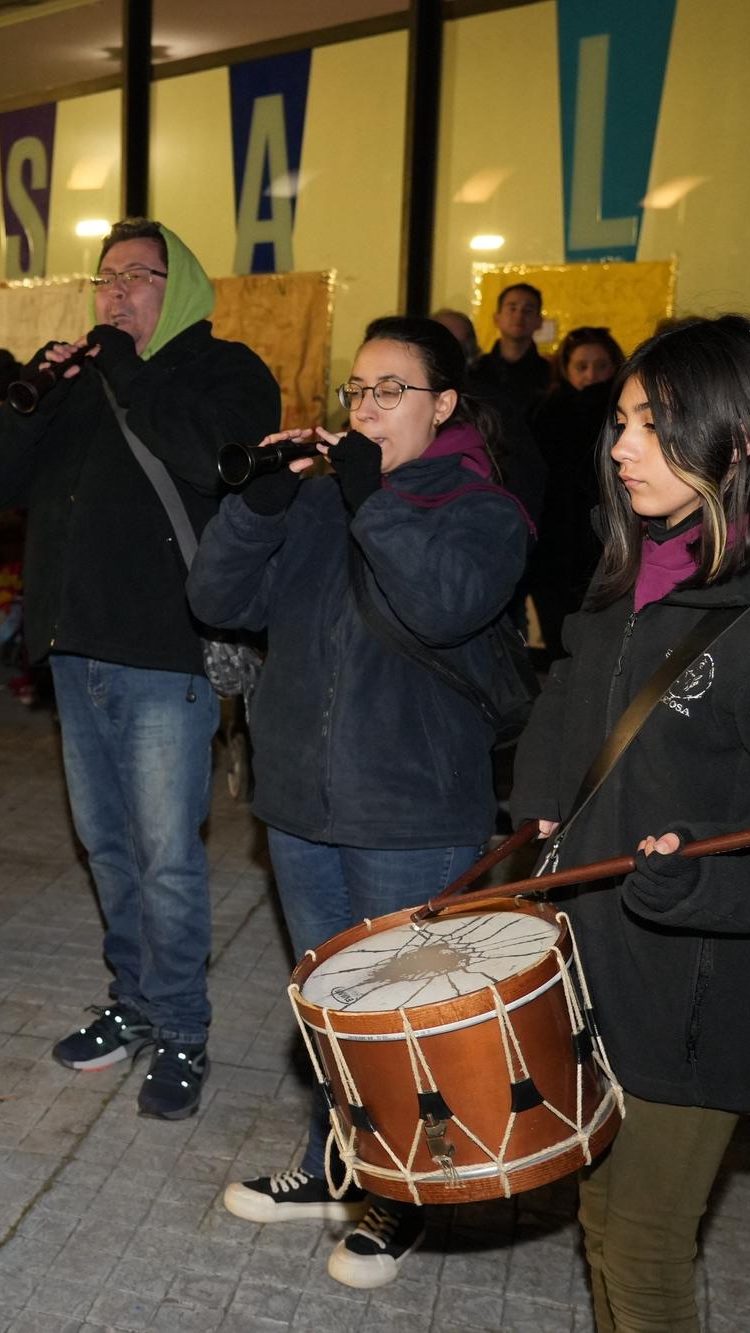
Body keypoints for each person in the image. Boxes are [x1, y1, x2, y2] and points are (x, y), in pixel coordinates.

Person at [510, 314, 750, 1331]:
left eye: (653, 423)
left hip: (696, 996)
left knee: (638, 1244)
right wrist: (540, 800)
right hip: (591, 966)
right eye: (621, 420)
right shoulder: (634, 580)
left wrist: (706, 881)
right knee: (602, 1214)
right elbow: (567, 693)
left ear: (742, 439)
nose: (619, 444)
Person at [188, 317, 531, 1285]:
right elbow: (217, 598)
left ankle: (401, 1191)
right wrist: (257, 503)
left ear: (444, 404)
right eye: (356, 391)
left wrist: (370, 498)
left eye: (391, 390)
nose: (367, 407)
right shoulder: (317, 502)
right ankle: (333, 1163)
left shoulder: (481, 508)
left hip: (413, 810)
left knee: (405, 1017)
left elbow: (440, 603)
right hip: (301, 801)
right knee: (331, 1007)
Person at [0, 217, 281, 1119]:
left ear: (177, 287)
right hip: (75, 651)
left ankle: (183, 1025)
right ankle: (134, 1000)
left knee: (166, 856)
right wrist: (30, 396)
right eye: (104, 278)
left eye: (138, 277)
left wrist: (125, 370)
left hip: (165, 654)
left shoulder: (226, 372)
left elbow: (214, 464)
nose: (114, 293)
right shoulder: (76, 380)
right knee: (106, 845)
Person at [526, 327, 625, 660]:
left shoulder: (625, 416)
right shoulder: (545, 413)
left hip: (611, 545)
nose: (591, 375)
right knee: (560, 649)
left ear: (615, 367)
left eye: (601, 365)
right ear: (566, 369)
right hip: (553, 549)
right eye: (581, 366)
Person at [469, 282, 553, 409]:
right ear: (497, 318)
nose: (519, 316)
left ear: (539, 321)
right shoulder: (476, 370)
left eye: (528, 310)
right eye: (512, 308)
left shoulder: (551, 374)